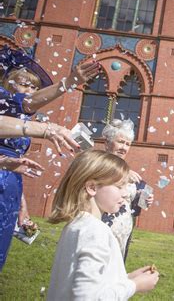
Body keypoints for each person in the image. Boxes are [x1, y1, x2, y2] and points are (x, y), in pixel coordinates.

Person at [0, 46, 100, 271]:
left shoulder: (20, 113)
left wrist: (21, 207)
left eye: (34, 86)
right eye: (24, 83)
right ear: (8, 83)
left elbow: (28, 104)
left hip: (9, 188)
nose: (30, 90)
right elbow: (27, 102)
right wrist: (46, 129)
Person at [47, 150, 159, 300]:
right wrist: (134, 285)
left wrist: (127, 278)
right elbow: (88, 297)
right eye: (119, 186)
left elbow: (89, 283)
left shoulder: (76, 225)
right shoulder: (96, 231)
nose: (126, 194)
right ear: (92, 187)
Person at [101, 119, 153, 261]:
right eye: (120, 142)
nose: (124, 147)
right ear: (107, 142)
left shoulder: (133, 175)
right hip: (102, 231)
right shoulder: (96, 163)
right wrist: (121, 173)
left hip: (123, 235)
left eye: (128, 144)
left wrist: (143, 198)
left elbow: (134, 209)